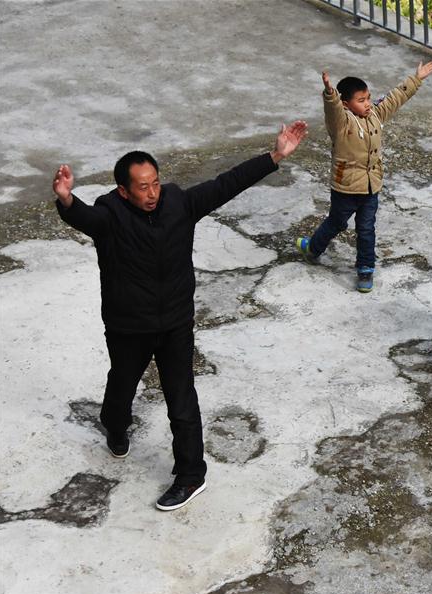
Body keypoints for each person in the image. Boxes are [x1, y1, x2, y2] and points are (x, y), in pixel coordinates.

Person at [51, 121, 308, 511]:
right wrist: (67, 199)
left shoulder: (178, 203)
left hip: (174, 324)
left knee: (182, 400)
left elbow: (225, 184)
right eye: (142, 186)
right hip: (128, 327)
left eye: (155, 182)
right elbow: (83, 217)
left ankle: (191, 475)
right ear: (124, 190)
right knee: (121, 387)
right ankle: (116, 428)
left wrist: (274, 156)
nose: (152, 192)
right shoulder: (110, 216)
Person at [296, 61, 432, 292]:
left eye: (368, 98)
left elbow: (394, 98)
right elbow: (333, 110)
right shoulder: (341, 123)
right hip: (346, 188)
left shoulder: (375, 116)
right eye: (361, 101)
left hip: (372, 187)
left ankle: (365, 270)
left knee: (366, 228)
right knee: (337, 222)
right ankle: (313, 248)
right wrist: (330, 93)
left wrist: (417, 78)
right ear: (346, 104)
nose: (367, 104)